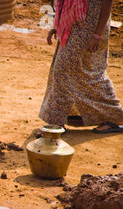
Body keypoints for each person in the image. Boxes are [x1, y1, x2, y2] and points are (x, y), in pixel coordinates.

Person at [39, 0, 123, 133]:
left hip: (91, 29)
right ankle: (59, 121)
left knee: (79, 72)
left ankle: (115, 116)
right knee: (67, 71)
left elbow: (107, 4)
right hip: (73, 28)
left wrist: (97, 35)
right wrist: (57, 26)